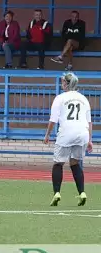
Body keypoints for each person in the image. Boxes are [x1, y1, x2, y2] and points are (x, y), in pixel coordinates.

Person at [43, 72, 92, 207]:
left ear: (67, 84)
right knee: (75, 163)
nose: (62, 84)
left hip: (67, 132)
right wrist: (90, 140)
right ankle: (82, 192)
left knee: (58, 163)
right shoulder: (84, 99)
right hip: (83, 133)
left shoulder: (60, 98)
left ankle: (56, 193)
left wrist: (47, 135)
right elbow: (89, 121)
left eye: (63, 82)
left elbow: (53, 120)